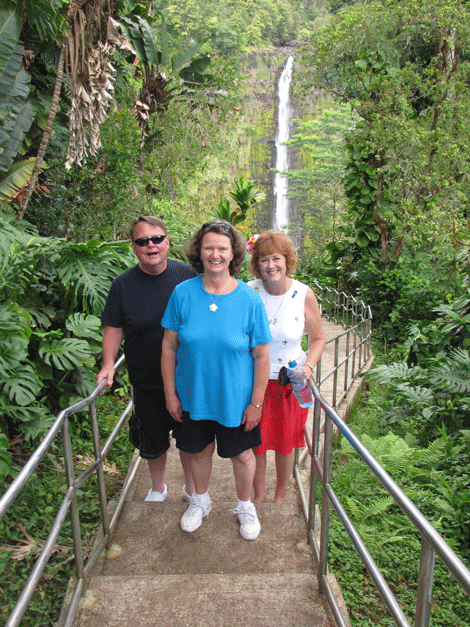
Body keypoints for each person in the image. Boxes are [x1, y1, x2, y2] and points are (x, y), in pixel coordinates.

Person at [161, 221, 271, 541]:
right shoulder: (183, 293)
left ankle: (245, 505)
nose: (215, 254)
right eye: (209, 247)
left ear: (233, 253)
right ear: (199, 251)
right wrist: (171, 394)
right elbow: (169, 347)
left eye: (222, 248)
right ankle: (200, 501)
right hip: (194, 395)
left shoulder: (249, 299)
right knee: (198, 452)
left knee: (242, 455)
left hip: (236, 398)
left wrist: (256, 403)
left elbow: (262, 356)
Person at [97, 216, 196, 503]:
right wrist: (107, 363)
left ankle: (192, 489)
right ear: (133, 247)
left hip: (187, 376)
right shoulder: (123, 285)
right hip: (145, 377)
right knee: (152, 439)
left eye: (156, 239)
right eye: (142, 241)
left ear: (167, 242)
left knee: (190, 439)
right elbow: (113, 327)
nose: (150, 245)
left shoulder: (189, 277)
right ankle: (158, 487)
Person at [247, 231, 326, 504]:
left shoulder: (303, 294)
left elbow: (318, 338)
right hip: (254, 380)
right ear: (257, 263)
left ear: (287, 260)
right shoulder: (248, 291)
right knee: (256, 442)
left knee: (285, 442)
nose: (271, 265)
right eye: (264, 259)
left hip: (289, 381)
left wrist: (310, 367)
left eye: (276, 258)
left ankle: (280, 496)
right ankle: (258, 495)